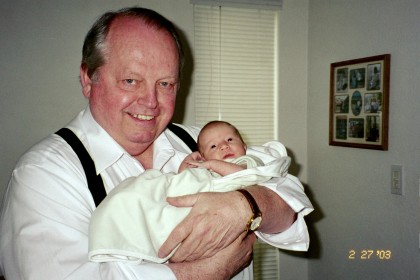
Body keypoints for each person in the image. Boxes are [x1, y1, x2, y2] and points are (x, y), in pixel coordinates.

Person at [0, 7, 313, 280]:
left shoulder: (203, 141)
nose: (150, 102)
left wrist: (246, 204)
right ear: (87, 78)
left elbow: (289, 195)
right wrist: (205, 273)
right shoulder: (44, 175)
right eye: (130, 81)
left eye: (165, 84)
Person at [88, 121, 292, 266]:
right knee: (145, 188)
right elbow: (188, 184)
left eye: (230, 139)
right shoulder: (202, 160)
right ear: (202, 154)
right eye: (213, 146)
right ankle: (120, 230)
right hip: (190, 205)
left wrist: (212, 164)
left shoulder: (247, 162)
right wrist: (186, 171)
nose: (223, 145)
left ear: (244, 146)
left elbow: (245, 176)